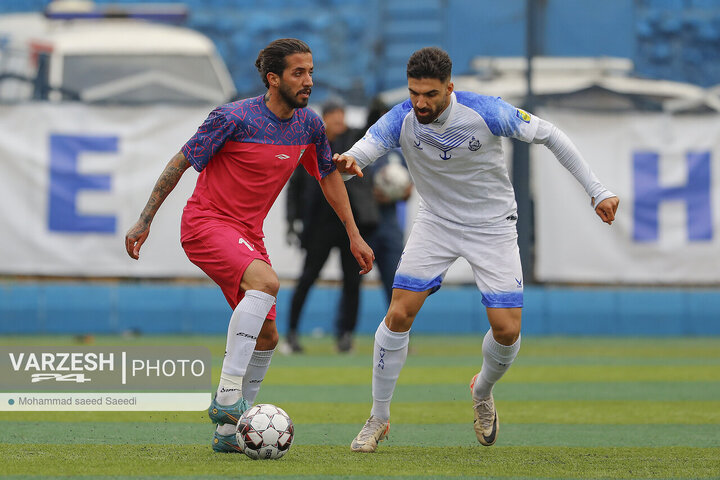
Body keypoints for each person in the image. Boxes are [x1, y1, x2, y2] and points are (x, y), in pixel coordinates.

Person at [333, 47, 619, 453]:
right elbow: (367, 146)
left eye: (430, 94)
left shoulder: (488, 112)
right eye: (415, 92)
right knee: (398, 312)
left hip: (492, 226)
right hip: (436, 223)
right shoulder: (402, 116)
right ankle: (378, 417)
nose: (420, 102)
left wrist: (597, 191)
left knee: (507, 329)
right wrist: (350, 160)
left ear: (450, 88)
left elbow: (551, 135)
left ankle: (482, 391)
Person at [123, 38, 374, 453]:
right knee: (267, 281)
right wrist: (146, 218)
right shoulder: (232, 118)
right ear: (273, 79)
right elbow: (180, 161)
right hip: (206, 224)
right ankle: (226, 397)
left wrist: (353, 234)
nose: (309, 80)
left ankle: (230, 434)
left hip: (247, 234)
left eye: (311, 71)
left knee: (268, 336)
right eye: (299, 72)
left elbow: (328, 176)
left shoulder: (309, 125)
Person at [284, 99, 379, 353]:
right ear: (325, 120)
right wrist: (292, 220)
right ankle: (291, 333)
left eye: (342, 116)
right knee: (307, 279)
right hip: (319, 226)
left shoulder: (354, 141)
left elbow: (372, 128)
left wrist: (376, 109)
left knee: (352, 282)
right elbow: (294, 186)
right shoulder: (312, 143)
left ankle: (346, 335)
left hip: (350, 225)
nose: (341, 121)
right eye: (335, 117)